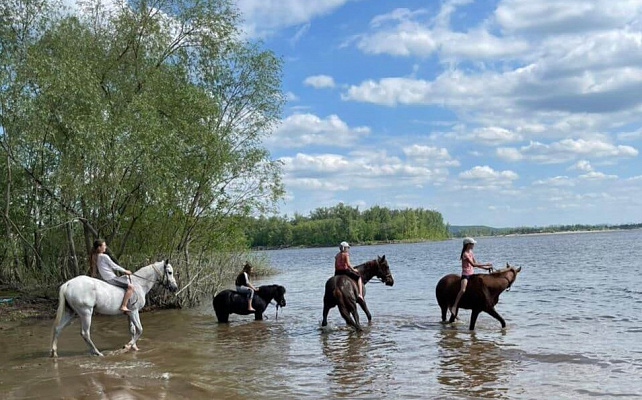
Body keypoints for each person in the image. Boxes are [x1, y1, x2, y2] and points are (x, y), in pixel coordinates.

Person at [450, 237, 493, 319]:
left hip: (472, 274)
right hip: (466, 275)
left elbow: (476, 263)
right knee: (463, 290)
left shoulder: (471, 252)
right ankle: (455, 306)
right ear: (467, 245)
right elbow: (473, 264)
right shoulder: (465, 254)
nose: (473, 245)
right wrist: (485, 264)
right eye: (472, 244)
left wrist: (485, 269)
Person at [89, 239, 135, 313]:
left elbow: (94, 271)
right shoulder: (104, 256)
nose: (105, 247)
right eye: (104, 245)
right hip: (111, 278)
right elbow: (114, 266)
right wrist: (125, 271)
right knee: (131, 287)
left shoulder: (94, 256)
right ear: (99, 247)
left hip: (105, 278)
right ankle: (124, 306)